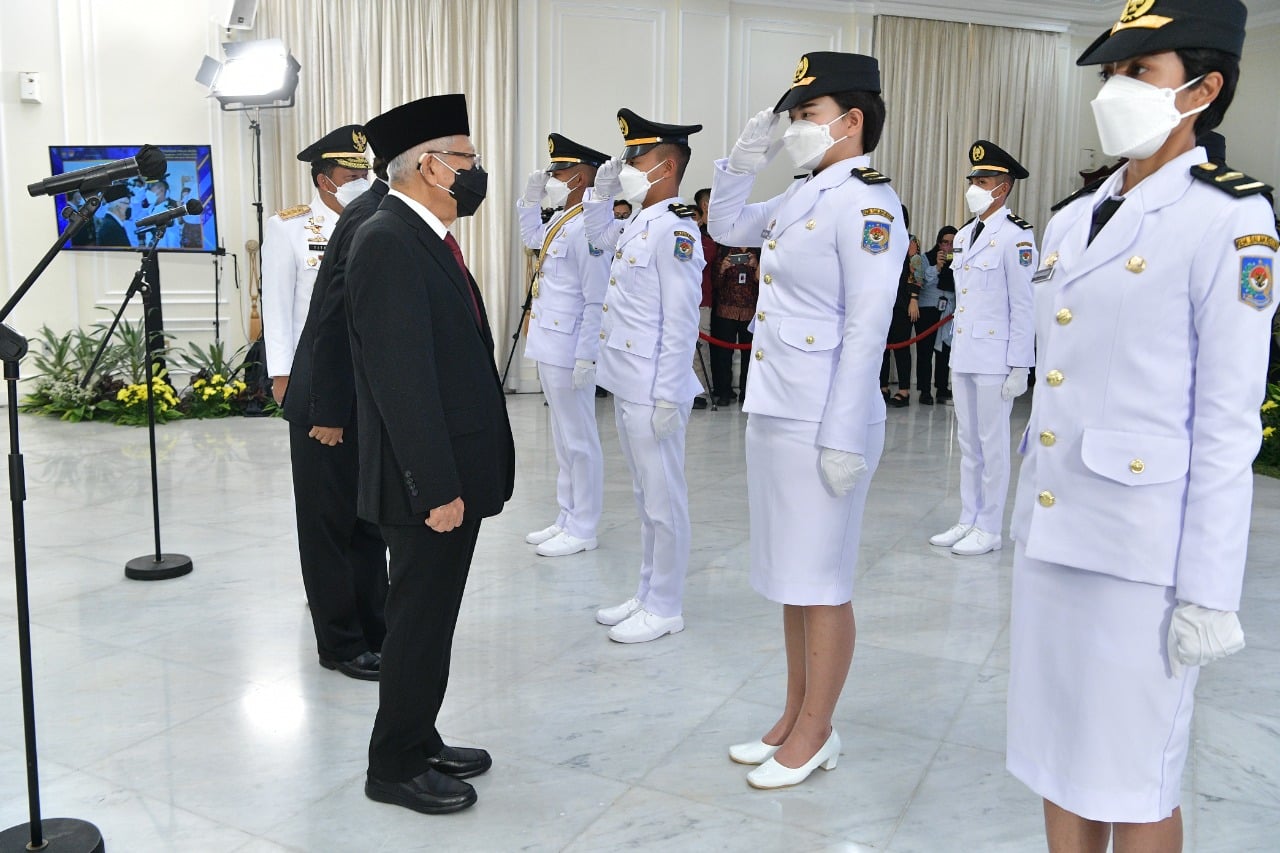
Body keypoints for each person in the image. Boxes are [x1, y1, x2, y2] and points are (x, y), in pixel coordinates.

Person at [1007, 2, 1276, 850]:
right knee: (1057, 761)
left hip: (1141, 557)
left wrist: (1208, 590)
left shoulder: (1231, 218)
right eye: (1111, 72)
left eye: (1139, 71)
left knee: (1132, 781)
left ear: (1203, 89)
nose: (1114, 88)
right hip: (1054, 534)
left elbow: (1228, 423)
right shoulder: (1070, 217)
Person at [707, 51, 907, 790]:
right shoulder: (801, 196)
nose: (796, 126)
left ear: (852, 122)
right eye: (792, 114)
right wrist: (744, 156)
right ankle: (793, 713)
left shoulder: (868, 203)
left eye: (807, 114)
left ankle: (818, 731)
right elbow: (727, 224)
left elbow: (867, 325)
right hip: (779, 408)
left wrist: (844, 432)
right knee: (793, 576)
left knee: (822, 579)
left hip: (824, 418)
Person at [347, 94, 515, 815]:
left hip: (447, 473)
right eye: (468, 161)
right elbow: (402, 382)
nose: (476, 173)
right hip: (426, 483)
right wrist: (436, 487)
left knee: (432, 618)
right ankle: (393, 763)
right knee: (417, 621)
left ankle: (419, 736)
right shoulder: (388, 239)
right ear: (427, 165)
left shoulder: (423, 234)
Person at [583, 108, 705, 643]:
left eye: (640, 158)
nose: (630, 165)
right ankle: (647, 591)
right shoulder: (638, 221)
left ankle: (666, 605)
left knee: (663, 498)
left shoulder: (676, 229)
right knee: (642, 496)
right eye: (628, 158)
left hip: (653, 387)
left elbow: (681, 320)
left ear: (669, 167)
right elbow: (593, 232)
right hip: (628, 382)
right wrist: (602, 187)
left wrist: (669, 394)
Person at [281, 154, 388, 682]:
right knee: (329, 529)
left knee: (366, 525)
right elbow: (329, 319)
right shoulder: (369, 216)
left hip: (356, 404)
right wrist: (327, 410)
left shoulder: (380, 209)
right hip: (328, 406)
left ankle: (375, 628)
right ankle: (341, 643)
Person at [928, 140, 1035, 557]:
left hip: (996, 359)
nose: (974, 186)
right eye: (972, 179)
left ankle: (990, 526)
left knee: (993, 444)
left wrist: (1019, 367)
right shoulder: (966, 235)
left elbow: (1023, 305)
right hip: (965, 353)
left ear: (1003, 188)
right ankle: (968, 517)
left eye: (983, 180)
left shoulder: (1015, 238)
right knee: (968, 444)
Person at [517, 133, 610, 558]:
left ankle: (584, 524)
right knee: (562, 439)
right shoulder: (563, 220)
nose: (552, 177)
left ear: (581, 177)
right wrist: (529, 200)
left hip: (571, 347)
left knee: (580, 440)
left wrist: (587, 355)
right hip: (551, 343)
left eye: (558, 172)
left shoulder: (590, 228)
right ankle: (566, 515)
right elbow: (533, 238)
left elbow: (596, 298)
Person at [263, 125, 370, 405]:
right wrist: (282, 373)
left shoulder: (376, 224)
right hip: (313, 364)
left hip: (367, 364)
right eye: (351, 178)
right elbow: (277, 307)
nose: (361, 184)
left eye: (364, 176)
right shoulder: (289, 228)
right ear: (324, 182)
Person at [708, 245, 760, 406]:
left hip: (750, 311)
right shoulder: (724, 250)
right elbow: (714, 283)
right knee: (723, 355)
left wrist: (756, 267)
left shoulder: (758, 250)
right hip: (725, 310)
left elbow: (766, 283)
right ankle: (724, 391)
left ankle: (747, 392)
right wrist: (722, 268)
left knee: (749, 357)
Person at [917, 226, 957, 405]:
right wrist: (937, 267)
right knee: (925, 352)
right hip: (927, 309)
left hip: (949, 311)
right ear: (938, 242)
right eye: (945, 242)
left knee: (945, 351)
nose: (948, 247)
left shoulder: (961, 260)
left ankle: (942, 388)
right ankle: (925, 390)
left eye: (952, 243)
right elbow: (921, 283)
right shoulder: (926, 258)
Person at [881, 225, 920, 407]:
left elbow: (916, 270)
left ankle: (904, 390)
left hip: (903, 302)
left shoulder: (910, 240)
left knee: (902, 347)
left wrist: (913, 298)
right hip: (881, 302)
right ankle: (882, 387)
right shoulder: (881, 236)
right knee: (882, 348)